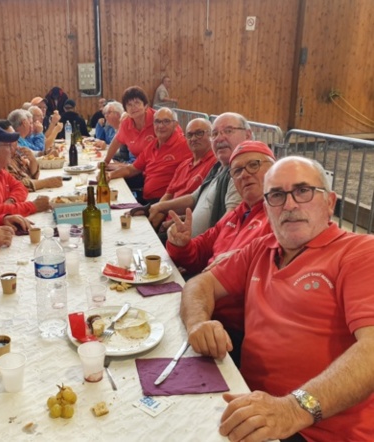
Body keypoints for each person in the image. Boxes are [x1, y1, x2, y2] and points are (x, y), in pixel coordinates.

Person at [180, 156, 374, 441]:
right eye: (277, 195)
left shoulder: (359, 253)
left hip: (316, 429)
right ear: (267, 206)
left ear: (330, 202)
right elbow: (200, 283)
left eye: (303, 191)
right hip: (246, 403)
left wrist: (292, 410)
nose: (290, 204)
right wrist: (198, 322)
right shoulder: (262, 247)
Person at [167, 141, 275, 366]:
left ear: (274, 169)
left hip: (235, 332)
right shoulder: (237, 213)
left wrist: (244, 261)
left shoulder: (282, 217)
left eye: (253, 165)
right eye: (237, 171)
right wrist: (182, 244)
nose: (244, 175)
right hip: (203, 310)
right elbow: (197, 255)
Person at [147, 112, 250, 238]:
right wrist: (157, 207)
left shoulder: (241, 173)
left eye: (228, 131)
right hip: (183, 236)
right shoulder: (218, 167)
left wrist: (191, 248)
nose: (219, 138)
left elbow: (228, 225)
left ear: (248, 135)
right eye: (215, 133)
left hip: (197, 248)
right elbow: (194, 198)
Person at [105, 107, 191, 204]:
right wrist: (109, 175)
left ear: (175, 125)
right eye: (157, 122)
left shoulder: (185, 145)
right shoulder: (152, 145)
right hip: (146, 199)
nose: (161, 126)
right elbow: (131, 169)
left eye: (166, 121)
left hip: (164, 203)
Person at [149, 118, 217, 231]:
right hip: (166, 223)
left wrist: (170, 223)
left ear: (212, 135)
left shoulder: (215, 165)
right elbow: (169, 195)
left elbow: (204, 207)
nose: (194, 138)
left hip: (183, 227)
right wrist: (154, 220)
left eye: (199, 133)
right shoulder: (183, 165)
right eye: (189, 135)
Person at [0, 123, 51, 218]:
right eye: (8, 145)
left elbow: (21, 187)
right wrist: (33, 206)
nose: (12, 148)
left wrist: (11, 200)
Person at [0, 118, 63, 192]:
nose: (15, 141)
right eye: (11, 138)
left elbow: (32, 175)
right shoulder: (1, 162)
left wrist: (32, 160)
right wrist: (46, 183)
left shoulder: (14, 156)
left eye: (15, 137)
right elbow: (17, 185)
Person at [103, 86, 156, 166]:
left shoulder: (157, 119)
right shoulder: (126, 123)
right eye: (129, 105)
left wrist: (125, 167)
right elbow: (116, 141)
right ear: (126, 110)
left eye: (137, 103)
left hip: (160, 167)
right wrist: (105, 162)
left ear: (145, 105)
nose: (134, 107)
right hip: (140, 168)